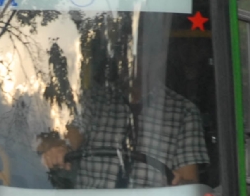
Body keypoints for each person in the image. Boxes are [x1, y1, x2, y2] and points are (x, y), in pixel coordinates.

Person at [38, 73, 208, 189]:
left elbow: (189, 185)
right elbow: (72, 135)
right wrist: (62, 148)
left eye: (148, 49)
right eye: (135, 48)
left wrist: (179, 183)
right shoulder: (95, 99)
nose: (140, 57)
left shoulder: (183, 111)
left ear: (161, 52)